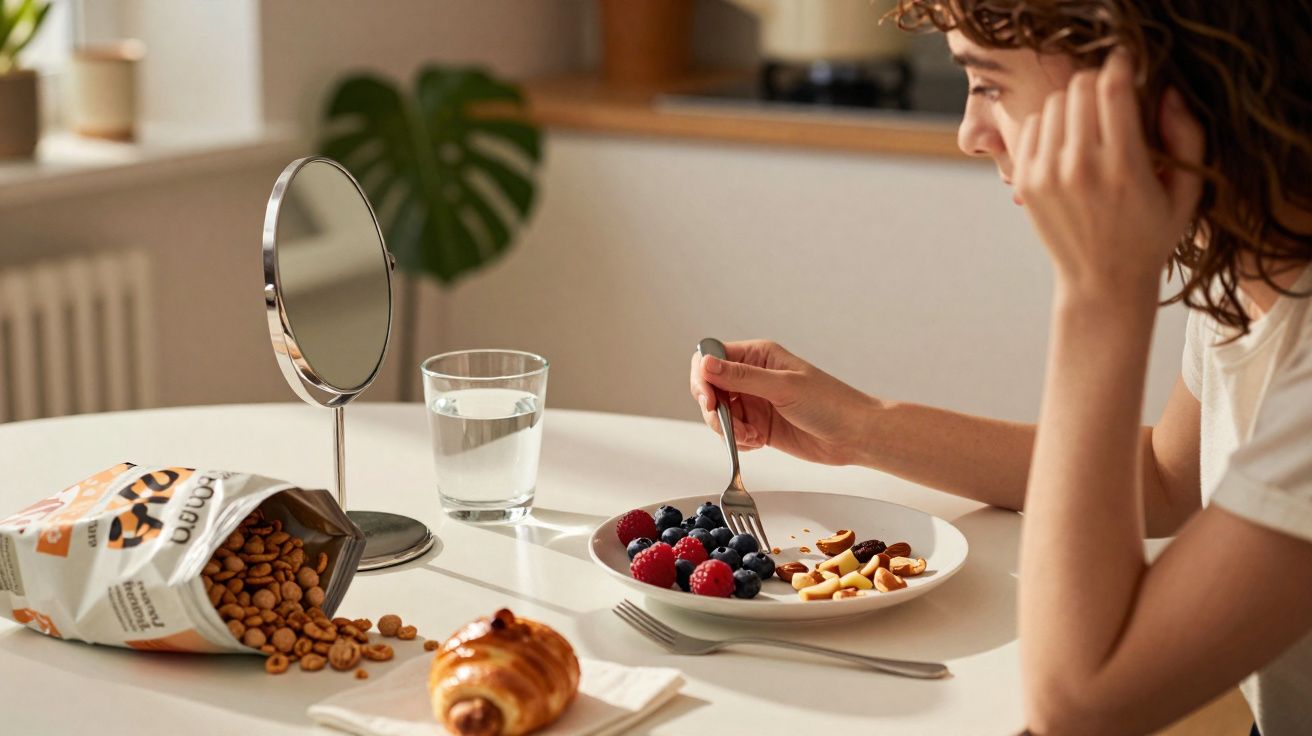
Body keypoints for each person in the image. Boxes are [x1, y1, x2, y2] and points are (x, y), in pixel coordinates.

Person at [688, 2, 1312, 733]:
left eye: (987, 84)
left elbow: (1079, 703)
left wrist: (1100, 293)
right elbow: (1170, 479)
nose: (970, 135)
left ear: (1137, 83)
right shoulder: (1254, 258)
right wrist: (860, 429)